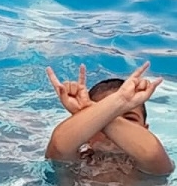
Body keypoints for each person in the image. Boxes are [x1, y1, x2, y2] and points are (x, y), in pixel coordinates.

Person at [45, 62, 173, 176]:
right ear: (86, 135)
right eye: (101, 120)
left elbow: (151, 153)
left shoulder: (154, 166)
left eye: (130, 118)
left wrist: (93, 111)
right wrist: (119, 102)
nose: (116, 134)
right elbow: (58, 146)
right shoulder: (77, 162)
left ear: (145, 130)